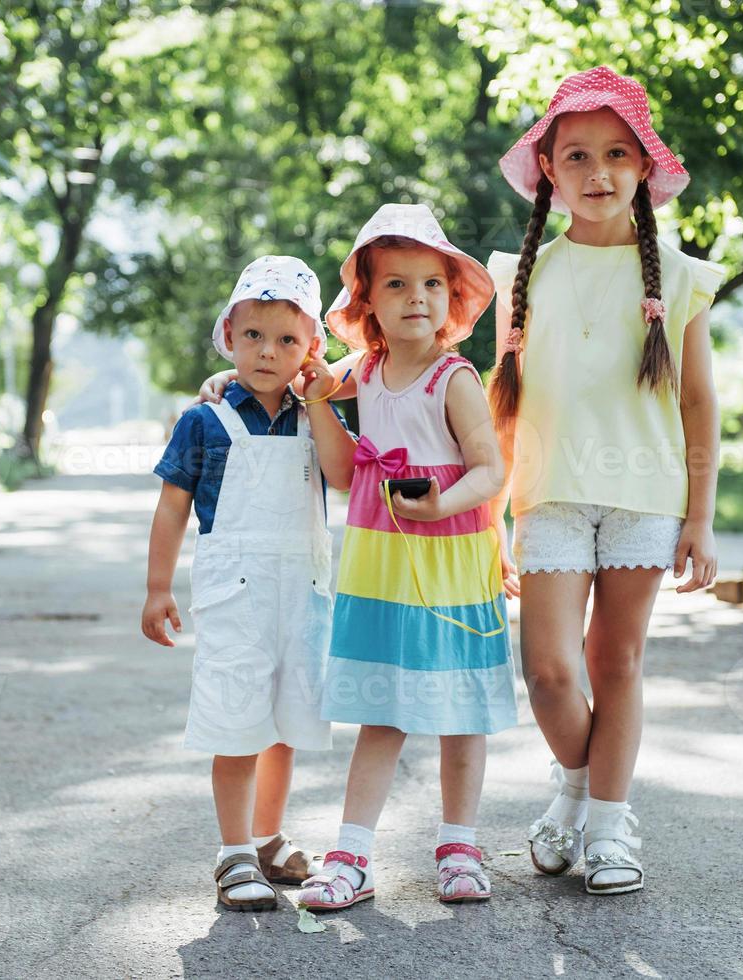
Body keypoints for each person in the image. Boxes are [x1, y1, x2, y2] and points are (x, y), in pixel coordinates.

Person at [203, 206, 517, 909]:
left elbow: (488, 469)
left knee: (458, 708)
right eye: (397, 285)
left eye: (431, 284)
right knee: (384, 711)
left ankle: (459, 846)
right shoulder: (366, 370)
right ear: (368, 303)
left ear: (451, 299)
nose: (416, 299)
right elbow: (298, 380)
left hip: (448, 560)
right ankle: (353, 853)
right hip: (379, 566)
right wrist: (228, 384)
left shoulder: (453, 377)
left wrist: (441, 503)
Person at [487, 65, 727, 895]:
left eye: (616, 154)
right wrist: (488, 518)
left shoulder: (683, 280)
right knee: (550, 672)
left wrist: (700, 517)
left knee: (615, 662)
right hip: (546, 492)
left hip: (644, 496)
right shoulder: (519, 276)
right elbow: (499, 408)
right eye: (577, 156)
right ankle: (577, 790)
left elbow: (697, 402)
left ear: (643, 169)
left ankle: (608, 827)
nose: (597, 174)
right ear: (548, 170)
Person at [142, 255, 356, 912]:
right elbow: (173, 506)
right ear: (229, 337)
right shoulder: (203, 421)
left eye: (287, 340)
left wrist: (318, 398)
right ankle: (232, 852)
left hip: (302, 596)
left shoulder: (311, 415)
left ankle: (267, 838)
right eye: (253, 337)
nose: (268, 352)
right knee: (237, 723)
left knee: (286, 725)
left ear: (311, 349)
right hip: (233, 597)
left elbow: (344, 476)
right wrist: (157, 588)